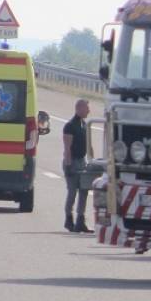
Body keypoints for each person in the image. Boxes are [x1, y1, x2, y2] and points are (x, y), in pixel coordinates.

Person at [62, 99, 93, 233]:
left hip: (82, 161)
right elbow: (67, 147)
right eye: (86, 108)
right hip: (72, 161)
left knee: (84, 191)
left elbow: (89, 145)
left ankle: (80, 220)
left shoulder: (84, 125)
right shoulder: (70, 126)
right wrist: (68, 165)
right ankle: (69, 219)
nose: (89, 111)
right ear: (79, 108)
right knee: (72, 192)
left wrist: (91, 161)